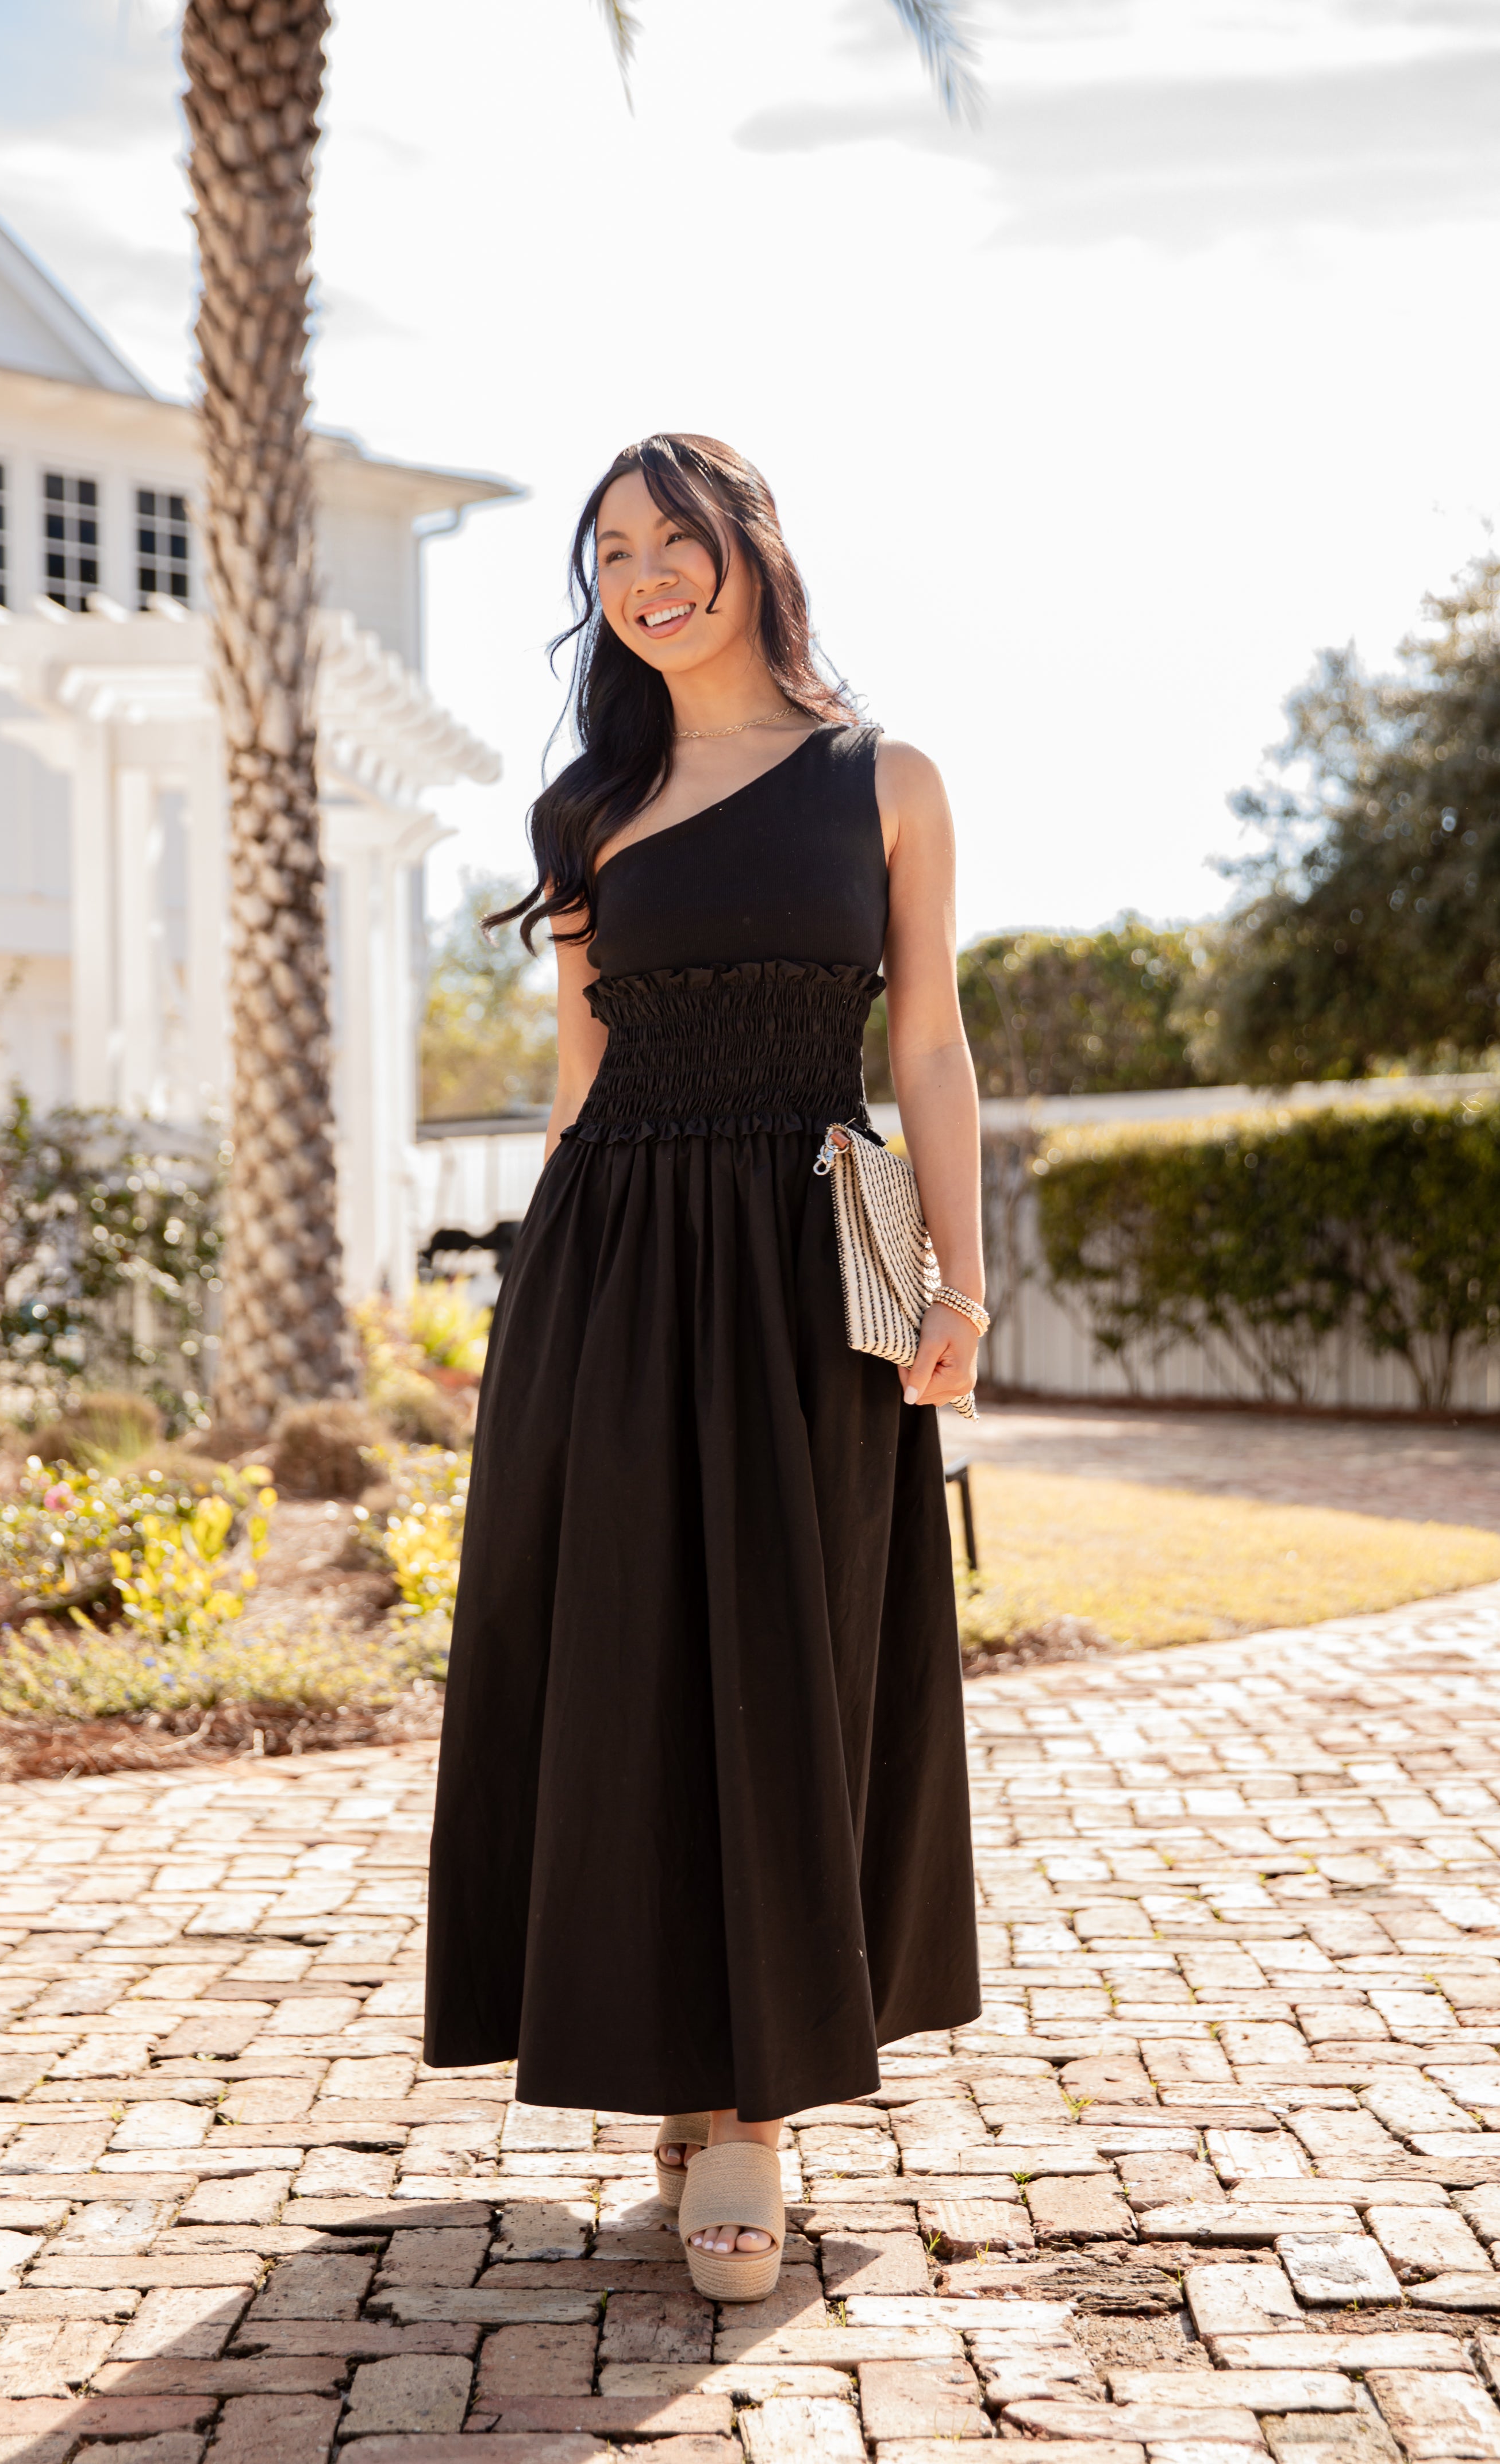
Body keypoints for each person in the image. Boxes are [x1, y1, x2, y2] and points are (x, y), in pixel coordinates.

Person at [425, 433, 982, 2303]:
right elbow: (578, 1075)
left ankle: (751, 2105)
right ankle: (690, 2075)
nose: (644, 577)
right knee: (629, 1656)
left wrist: (957, 1286)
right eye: (610, 552)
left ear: (751, 551)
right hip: (608, 1260)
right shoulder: (586, 808)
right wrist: (530, 1304)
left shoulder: (881, 781)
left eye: (677, 541)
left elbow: (928, 1057)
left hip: (808, 1251)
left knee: (792, 1645)